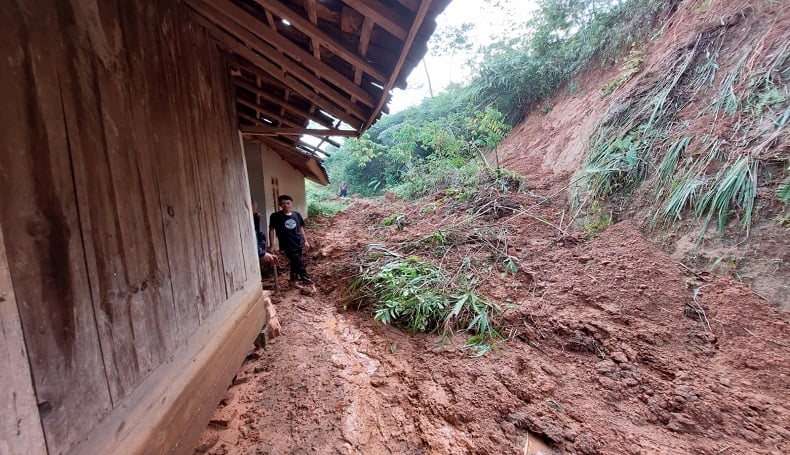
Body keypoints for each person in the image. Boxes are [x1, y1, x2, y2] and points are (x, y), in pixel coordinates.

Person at [267, 195, 312, 284]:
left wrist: (305, 241)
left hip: (298, 241)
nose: (286, 205)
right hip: (286, 243)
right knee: (297, 260)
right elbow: (271, 230)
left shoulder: (297, 215)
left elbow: (301, 228)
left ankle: (293, 278)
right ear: (280, 204)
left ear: (291, 203)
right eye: (283, 204)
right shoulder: (275, 216)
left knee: (295, 260)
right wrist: (272, 245)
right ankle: (305, 278)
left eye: (288, 203)